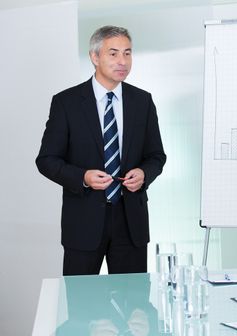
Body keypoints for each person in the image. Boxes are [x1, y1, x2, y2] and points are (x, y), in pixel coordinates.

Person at [36, 26, 166, 275]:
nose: (123, 62)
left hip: (131, 223)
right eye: (114, 53)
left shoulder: (142, 101)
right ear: (95, 57)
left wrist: (144, 173)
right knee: (81, 308)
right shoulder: (66, 102)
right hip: (83, 223)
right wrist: (82, 177)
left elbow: (156, 156)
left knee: (133, 307)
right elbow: (46, 160)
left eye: (128, 53)